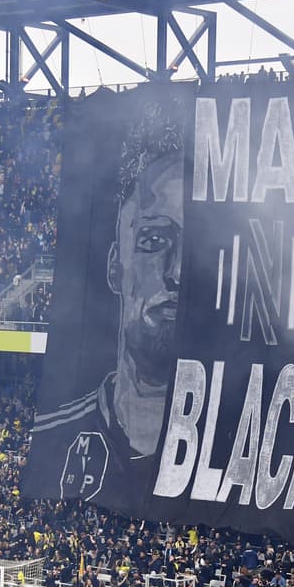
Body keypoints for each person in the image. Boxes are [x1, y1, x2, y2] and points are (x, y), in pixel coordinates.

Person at [30, 125, 184, 503]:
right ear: (116, 266)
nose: (178, 272)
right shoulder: (56, 433)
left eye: (198, 252)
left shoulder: (236, 443)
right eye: (154, 241)